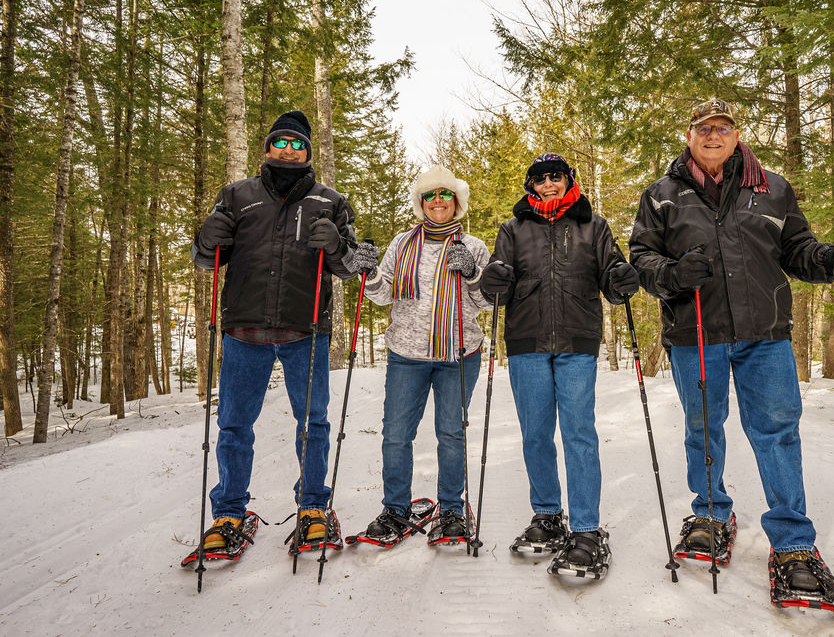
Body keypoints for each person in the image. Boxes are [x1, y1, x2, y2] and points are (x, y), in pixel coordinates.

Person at [629, 98, 834, 604]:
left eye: (723, 127)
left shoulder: (772, 187)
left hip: (765, 334)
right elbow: (641, 258)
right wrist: (671, 275)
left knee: (777, 432)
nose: (713, 135)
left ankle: (792, 543)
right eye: (704, 127)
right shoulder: (662, 195)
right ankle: (711, 513)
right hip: (696, 332)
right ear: (690, 134)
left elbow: (798, 250)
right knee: (703, 426)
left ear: (737, 134)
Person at [188, 110, 357, 559]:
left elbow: (353, 267)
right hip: (244, 329)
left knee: (313, 422)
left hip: (306, 329)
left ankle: (314, 507)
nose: (288, 150)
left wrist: (337, 246)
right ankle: (228, 513)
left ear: (308, 152)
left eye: (297, 144)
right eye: (280, 142)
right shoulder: (236, 195)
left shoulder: (330, 202)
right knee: (234, 425)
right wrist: (208, 237)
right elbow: (206, 259)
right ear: (266, 148)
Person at [480, 153, 639, 578]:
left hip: (576, 341)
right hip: (526, 341)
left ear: (569, 180)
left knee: (578, 433)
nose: (548, 183)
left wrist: (622, 279)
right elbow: (499, 281)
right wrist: (494, 282)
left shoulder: (595, 226)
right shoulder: (512, 229)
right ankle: (548, 515)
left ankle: (586, 529)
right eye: (540, 178)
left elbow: (612, 278)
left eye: (556, 176)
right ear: (531, 185)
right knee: (535, 434)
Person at [350, 166, 491, 547]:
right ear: (421, 203)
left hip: (459, 354)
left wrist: (474, 274)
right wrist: (367, 272)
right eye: (430, 195)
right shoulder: (402, 243)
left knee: (449, 433)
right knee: (396, 436)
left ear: (457, 201)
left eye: (445, 194)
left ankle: (451, 511)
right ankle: (395, 509)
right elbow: (383, 294)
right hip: (406, 355)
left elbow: (485, 302)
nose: (438, 201)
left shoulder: (473, 246)